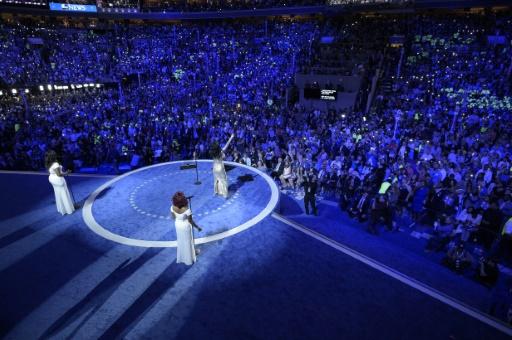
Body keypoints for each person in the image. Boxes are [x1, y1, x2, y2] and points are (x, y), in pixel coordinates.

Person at [170, 191, 202, 265]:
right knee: (188, 241)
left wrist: (179, 218)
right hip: (185, 226)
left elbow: (173, 217)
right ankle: (190, 257)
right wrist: (197, 227)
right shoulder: (187, 210)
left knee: (181, 240)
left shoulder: (172, 207)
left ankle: (182, 256)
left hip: (177, 225)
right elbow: (190, 221)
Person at [45, 150, 75, 215]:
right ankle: (68, 209)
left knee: (58, 194)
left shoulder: (49, 163)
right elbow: (59, 174)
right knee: (64, 193)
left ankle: (62, 209)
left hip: (52, 178)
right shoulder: (55, 164)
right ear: (53, 156)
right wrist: (67, 173)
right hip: (58, 180)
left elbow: (53, 172)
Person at [210, 134, 234, 198]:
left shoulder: (212, 153)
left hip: (214, 167)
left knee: (216, 180)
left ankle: (216, 191)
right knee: (223, 180)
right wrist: (231, 137)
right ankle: (225, 194)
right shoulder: (220, 152)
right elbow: (227, 145)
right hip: (220, 167)